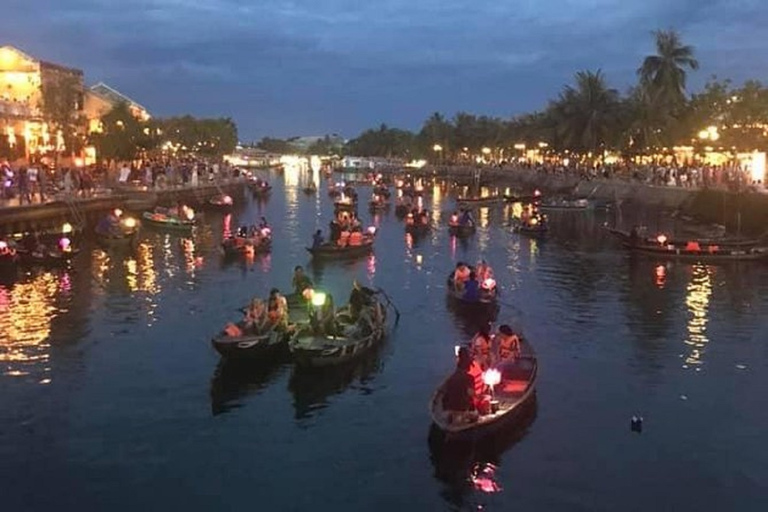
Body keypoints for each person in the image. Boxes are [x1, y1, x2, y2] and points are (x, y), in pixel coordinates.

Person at [441, 346, 476, 414]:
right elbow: (471, 394)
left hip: (449, 411)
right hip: (463, 412)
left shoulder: (451, 378)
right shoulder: (469, 378)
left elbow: (444, 396)